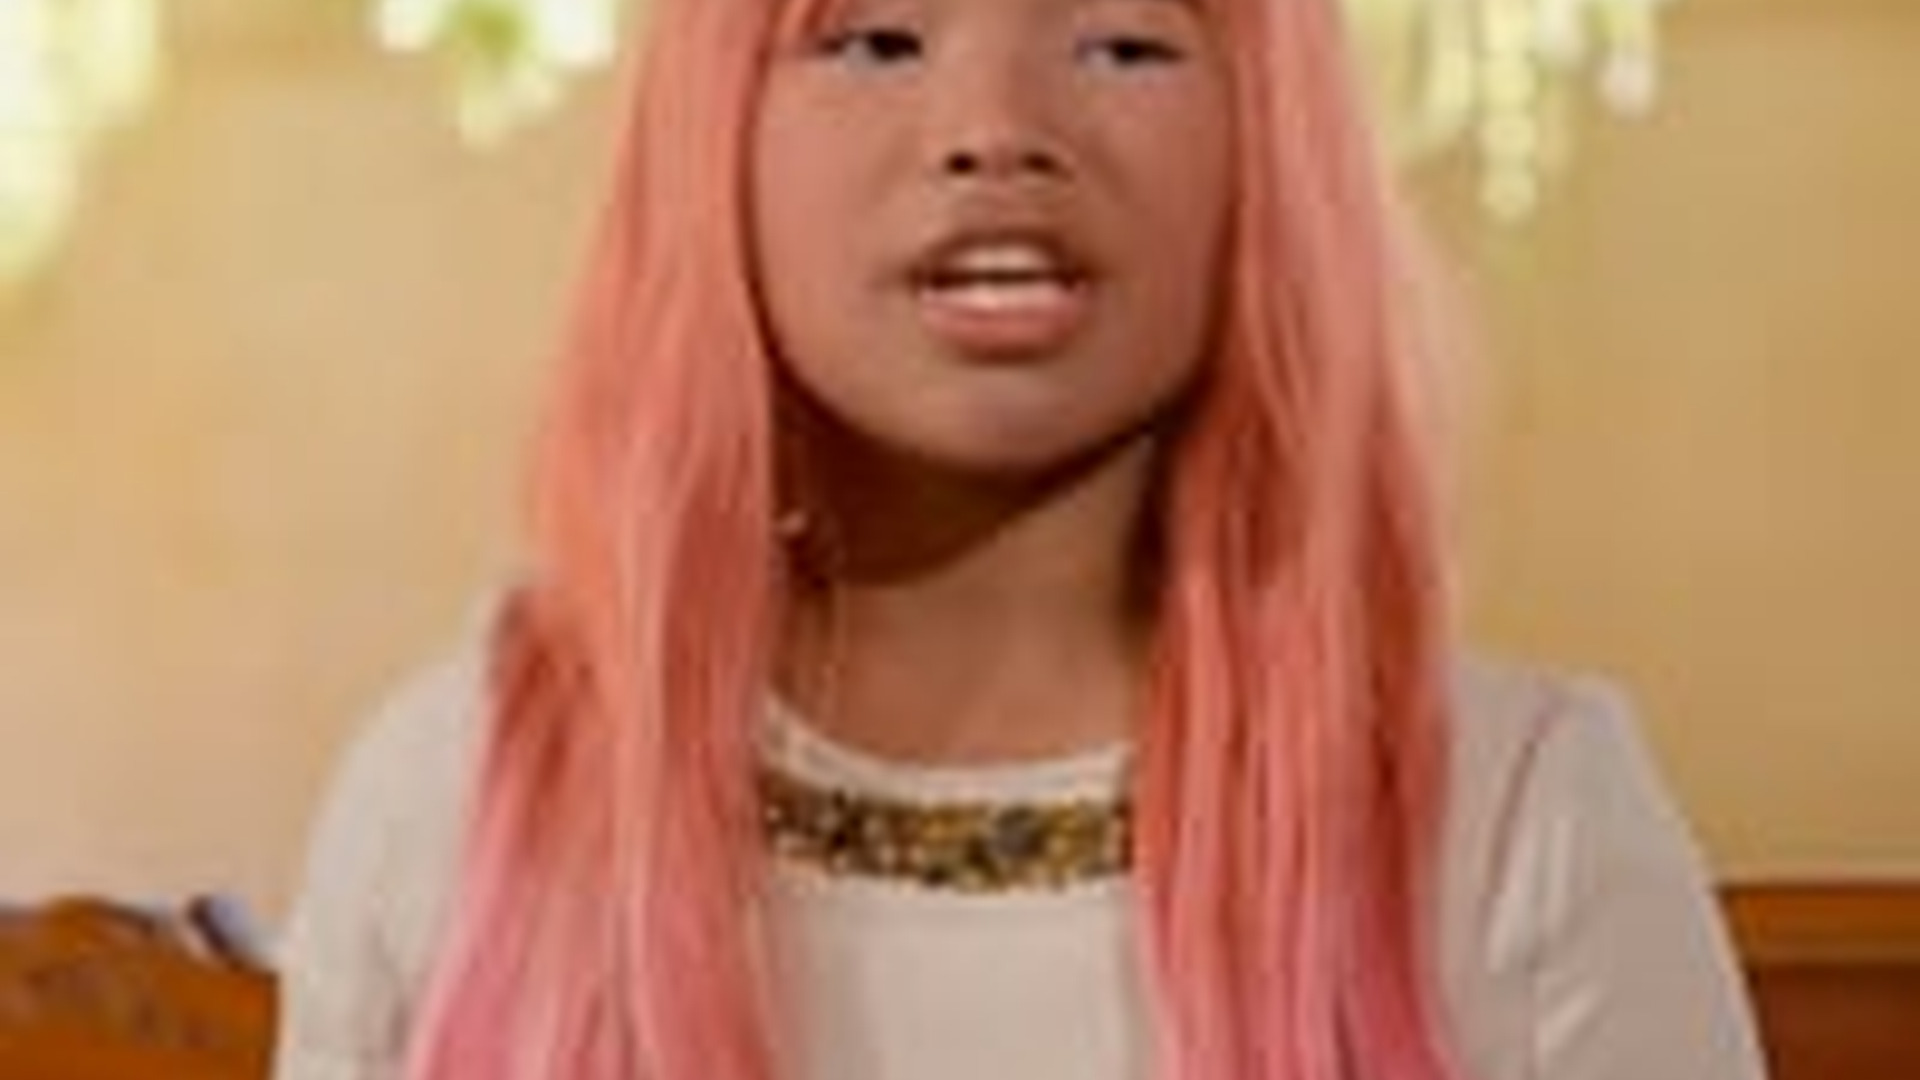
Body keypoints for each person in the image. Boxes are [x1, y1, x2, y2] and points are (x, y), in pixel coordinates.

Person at [273, 0, 1769, 1077]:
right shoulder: (465, 799)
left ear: (1272, 140)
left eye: (1122, 41)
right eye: (877, 40)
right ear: (709, 138)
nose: (995, 133)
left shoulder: (1523, 822)